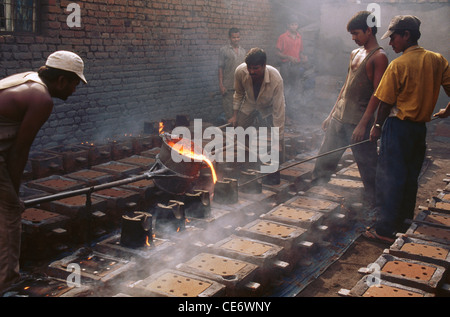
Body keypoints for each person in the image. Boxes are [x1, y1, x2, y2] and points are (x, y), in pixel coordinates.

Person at [0, 50, 87, 293]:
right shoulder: (41, 99)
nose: (74, 91)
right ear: (61, 80)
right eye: (74, 84)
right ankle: (7, 284)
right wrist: (15, 196)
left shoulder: (27, 80)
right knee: (9, 213)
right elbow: (19, 151)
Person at [363, 15, 450, 244]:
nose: (391, 43)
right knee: (410, 178)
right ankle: (403, 223)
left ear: (406, 35)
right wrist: (447, 110)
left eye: (393, 38)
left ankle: (383, 229)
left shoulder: (398, 65)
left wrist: (377, 127)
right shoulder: (438, 60)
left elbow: (385, 102)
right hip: (418, 130)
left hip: (397, 127)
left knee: (390, 179)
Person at [311, 11, 388, 206]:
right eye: (351, 34)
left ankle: (374, 203)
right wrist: (331, 114)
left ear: (368, 31)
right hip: (339, 117)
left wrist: (364, 124)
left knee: (367, 164)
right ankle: (315, 193)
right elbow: (346, 86)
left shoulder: (378, 57)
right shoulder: (355, 53)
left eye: (356, 33)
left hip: (358, 121)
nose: (353, 38)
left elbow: (377, 94)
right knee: (325, 158)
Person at [229, 47, 286, 163]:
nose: (251, 71)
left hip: (269, 106)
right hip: (250, 103)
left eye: (255, 68)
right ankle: (246, 159)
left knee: (277, 137)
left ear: (264, 65)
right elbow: (239, 93)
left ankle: (280, 162)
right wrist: (235, 115)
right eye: (249, 68)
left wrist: (278, 140)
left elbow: (278, 111)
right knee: (240, 129)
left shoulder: (276, 78)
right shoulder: (240, 71)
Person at [276, 16, 308, 118]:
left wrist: (304, 57)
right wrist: (288, 57)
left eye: (295, 24)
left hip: (296, 66)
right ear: (288, 25)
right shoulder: (283, 37)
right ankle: (285, 113)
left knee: (295, 88)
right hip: (286, 66)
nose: (294, 26)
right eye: (292, 24)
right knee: (286, 89)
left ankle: (293, 112)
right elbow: (277, 53)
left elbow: (300, 52)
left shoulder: (299, 37)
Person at [218, 28, 246, 121]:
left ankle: (239, 134)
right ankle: (231, 134)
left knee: (240, 113)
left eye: (238, 37)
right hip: (228, 87)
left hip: (240, 87)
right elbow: (220, 68)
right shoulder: (224, 50)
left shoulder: (243, 51)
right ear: (229, 38)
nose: (236, 39)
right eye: (234, 37)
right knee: (229, 113)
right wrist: (221, 85)